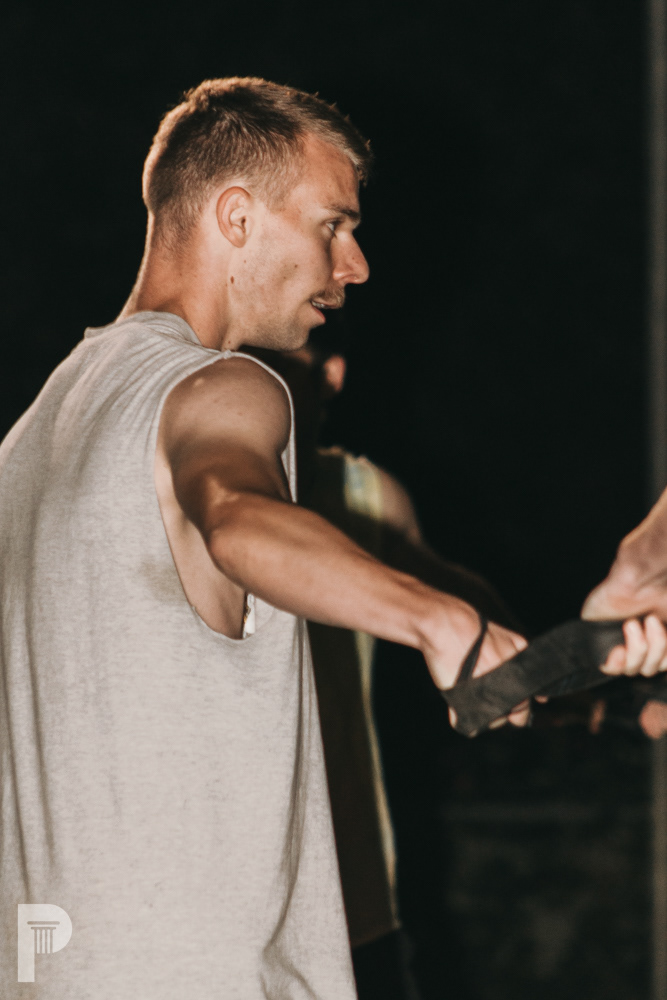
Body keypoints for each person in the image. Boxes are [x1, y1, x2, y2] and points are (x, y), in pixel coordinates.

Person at [0, 77, 533, 1000]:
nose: (354, 265)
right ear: (237, 217)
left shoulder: (29, 440)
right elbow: (235, 517)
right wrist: (440, 621)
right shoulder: (220, 387)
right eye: (333, 225)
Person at [264, 334, 520, 1000]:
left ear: (331, 373)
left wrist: (583, 686)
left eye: (284, 359)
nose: (259, 376)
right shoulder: (189, 486)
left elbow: (461, 602)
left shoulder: (364, 494)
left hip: (353, 890)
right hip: (226, 898)